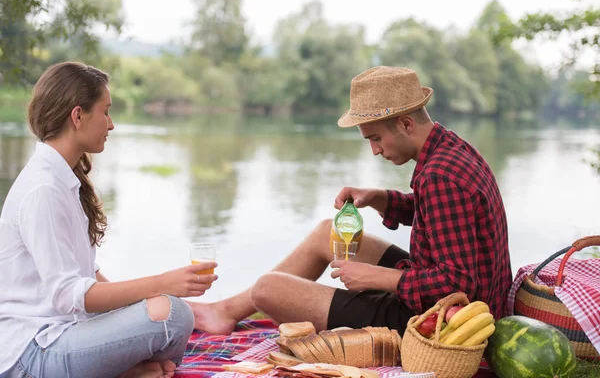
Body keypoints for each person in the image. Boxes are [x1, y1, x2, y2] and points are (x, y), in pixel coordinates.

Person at [189, 66, 512, 336]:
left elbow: (459, 283)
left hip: (447, 322)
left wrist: (379, 279)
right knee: (327, 231)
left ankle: (226, 311)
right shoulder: (451, 150)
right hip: (450, 298)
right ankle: (224, 312)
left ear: (405, 124)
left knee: (268, 290)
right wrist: (380, 198)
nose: (375, 150)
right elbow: (444, 216)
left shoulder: (439, 175)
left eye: (375, 138)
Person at [0, 62, 218, 378]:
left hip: (65, 333)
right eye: (105, 112)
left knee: (170, 310)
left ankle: (125, 370)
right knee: (170, 316)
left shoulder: (62, 179)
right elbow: (68, 293)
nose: (111, 124)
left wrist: (146, 300)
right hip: (32, 352)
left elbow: (86, 273)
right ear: (77, 116)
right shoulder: (43, 189)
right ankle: (124, 371)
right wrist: (161, 283)